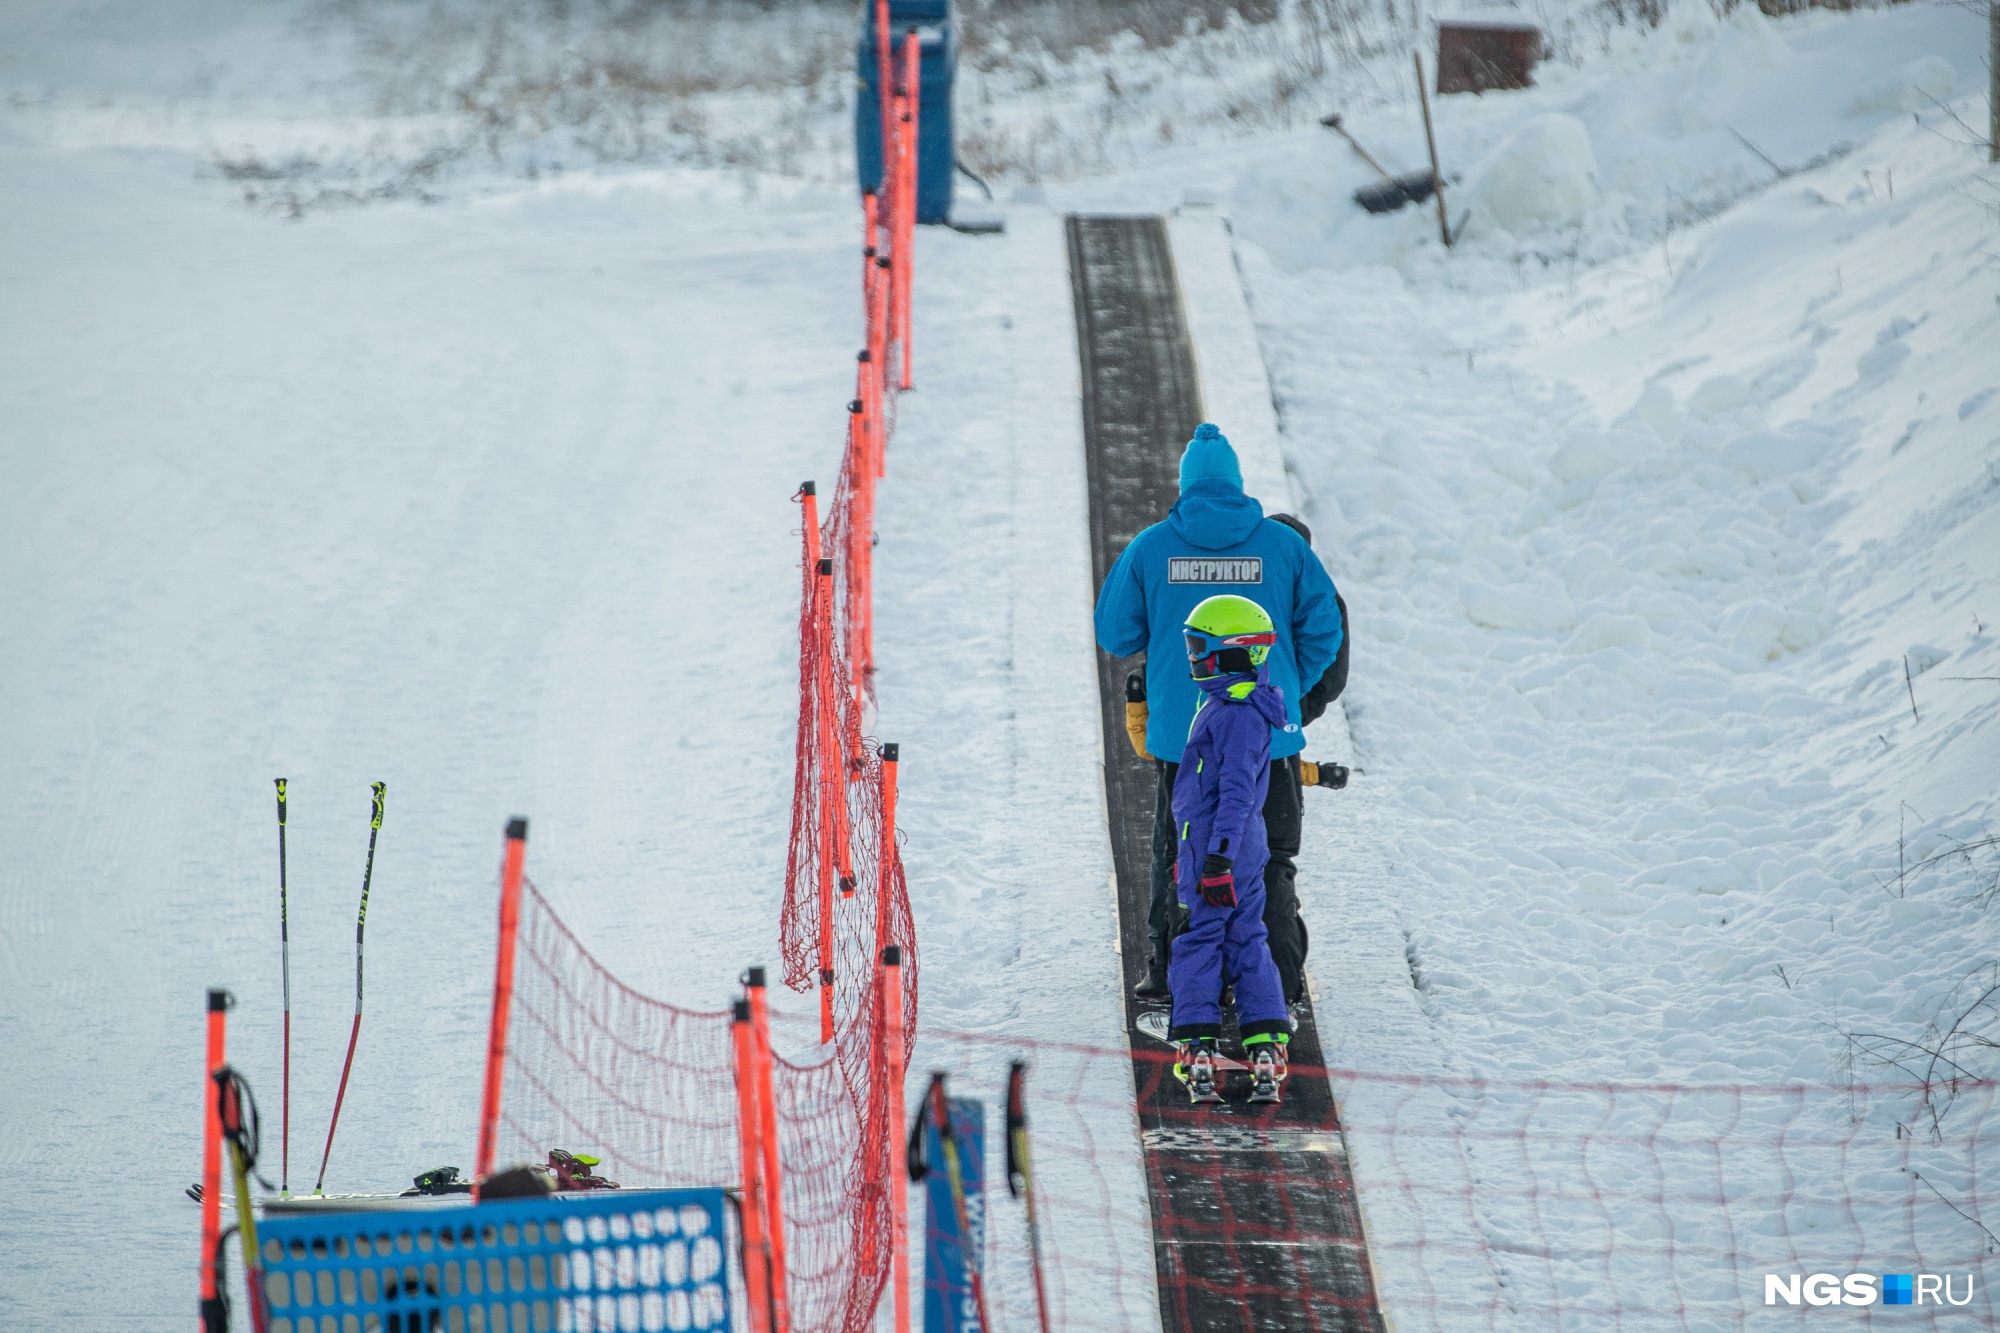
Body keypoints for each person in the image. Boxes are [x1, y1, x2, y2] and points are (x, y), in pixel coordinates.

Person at [1094, 423, 1343, 1005]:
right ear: (1237, 485)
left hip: (1185, 739)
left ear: (1184, 487)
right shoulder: (1284, 547)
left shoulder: (1152, 547)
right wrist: (1286, 687)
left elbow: (1115, 632)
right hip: (1268, 737)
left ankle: (1168, 972)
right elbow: (1325, 628)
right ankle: (1279, 976)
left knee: (1178, 851)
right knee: (1270, 851)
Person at [1168, 595, 1292, 1104]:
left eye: (1201, 648)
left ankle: (1197, 1042)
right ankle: (1265, 1040)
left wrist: (1216, 858)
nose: (1194, 659)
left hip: (1219, 849)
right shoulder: (1234, 704)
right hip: (1235, 845)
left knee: (1199, 938)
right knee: (1247, 936)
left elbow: (1236, 793)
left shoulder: (1236, 715)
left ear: (1235, 652)